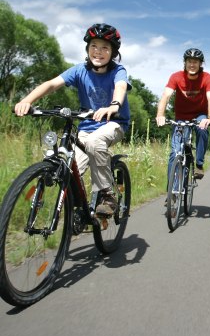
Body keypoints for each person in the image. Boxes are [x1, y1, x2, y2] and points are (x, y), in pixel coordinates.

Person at [14, 23, 131, 216]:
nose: (98, 52)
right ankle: (78, 211)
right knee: (68, 166)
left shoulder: (118, 71)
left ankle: (107, 195)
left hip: (114, 123)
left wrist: (114, 105)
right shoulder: (79, 71)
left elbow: (120, 87)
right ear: (87, 48)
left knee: (96, 142)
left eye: (105, 48)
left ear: (113, 52)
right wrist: (26, 101)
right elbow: (52, 84)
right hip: (86, 126)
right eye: (94, 46)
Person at [156, 48, 210, 180]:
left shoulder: (207, 78)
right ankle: (172, 194)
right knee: (175, 153)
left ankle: (199, 164)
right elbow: (166, 95)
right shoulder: (176, 76)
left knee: (202, 128)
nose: (192, 64)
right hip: (181, 117)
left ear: (201, 64)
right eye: (189, 61)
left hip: (200, 114)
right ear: (185, 62)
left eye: (196, 62)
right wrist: (160, 114)